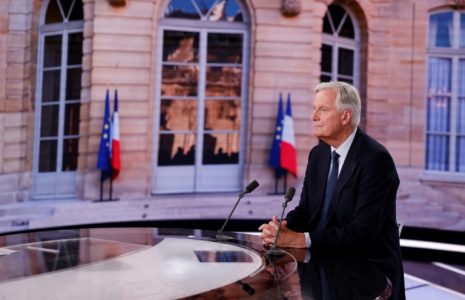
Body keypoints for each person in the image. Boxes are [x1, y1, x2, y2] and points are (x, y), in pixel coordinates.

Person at [259, 81, 405, 300]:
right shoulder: (318, 154)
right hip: (325, 264)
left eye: (323, 110)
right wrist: (283, 229)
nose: (313, 116)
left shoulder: (376, 159)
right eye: (314, 108)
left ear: (345, 117)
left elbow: (361, 233)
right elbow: (307, 211)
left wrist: (299, 240)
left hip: (368, 276)